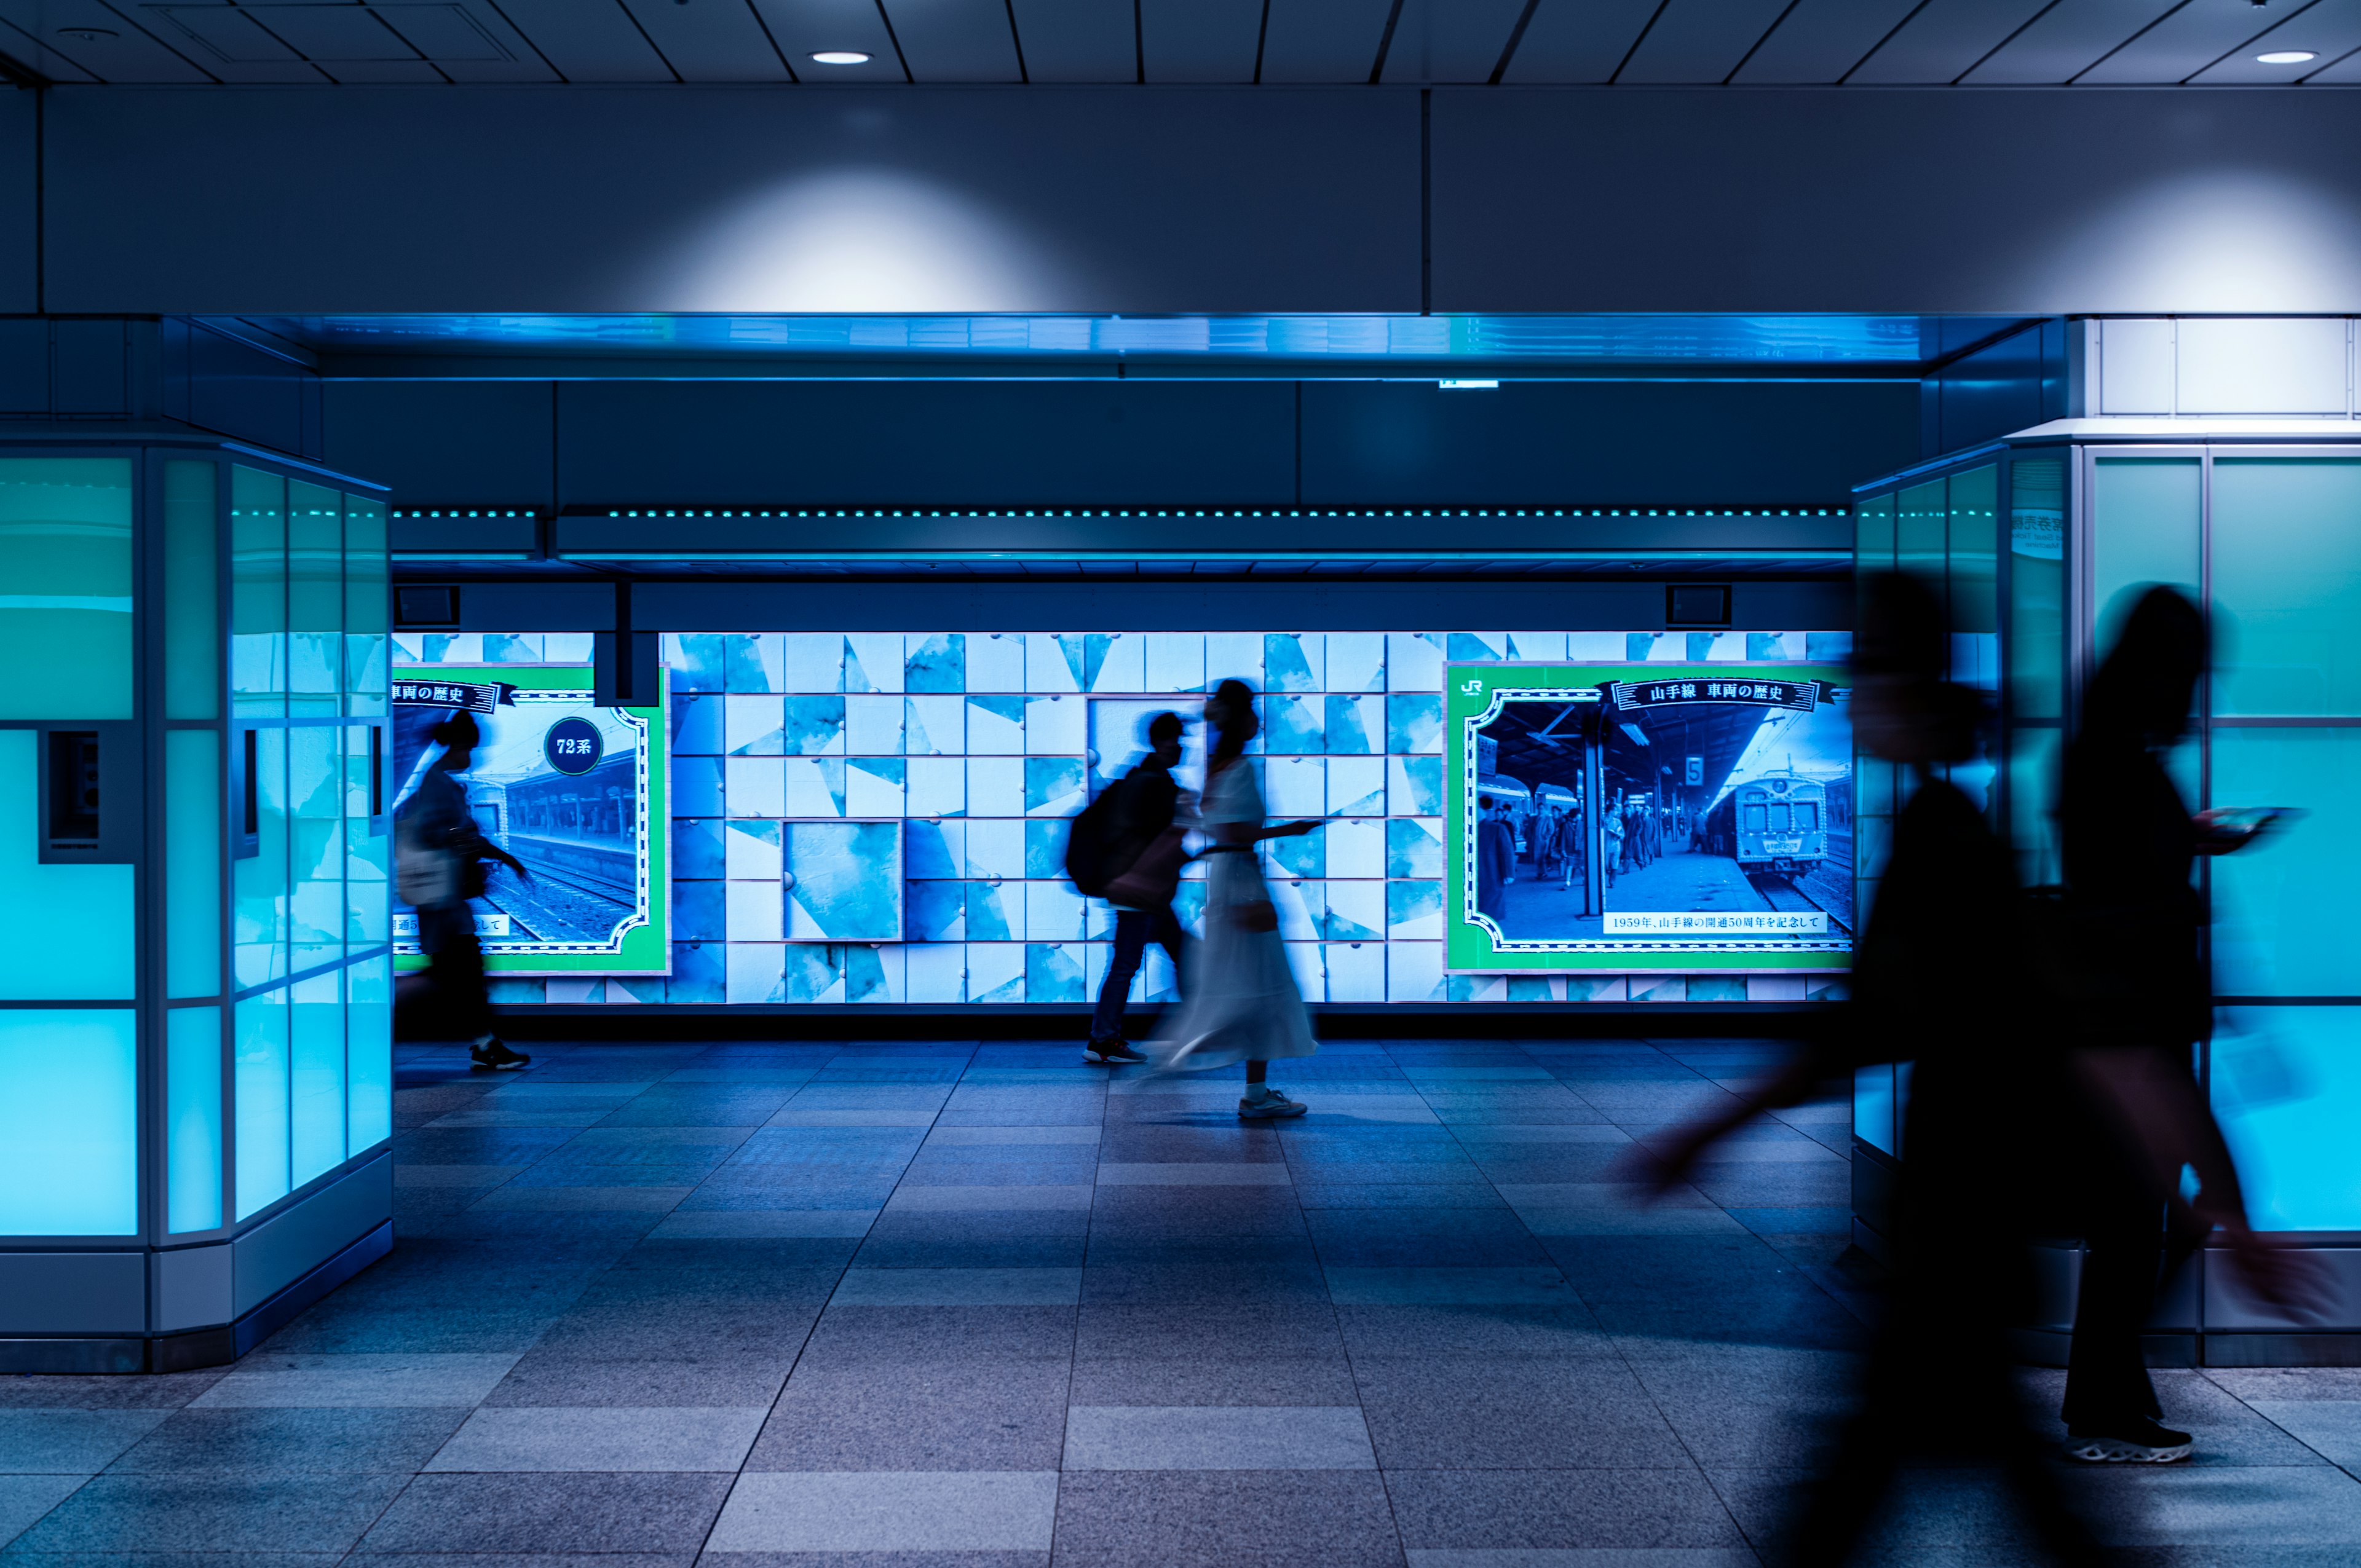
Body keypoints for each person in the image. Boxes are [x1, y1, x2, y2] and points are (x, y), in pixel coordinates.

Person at [1629, 572, 2104, 1566]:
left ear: (1909, 691)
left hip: (1961, 1212)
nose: (1859, 706)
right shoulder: (1961, 824)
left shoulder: (1941, 836)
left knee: (1864, 1479)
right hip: (1971, 1212)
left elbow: (1863, 1026)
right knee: (1948, 1472)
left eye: (1871, 682)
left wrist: (1704, 1131)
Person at [2055, 585, 2321, 1462]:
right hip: (2129, 1036)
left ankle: (2109, 1399)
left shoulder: (2107, 758)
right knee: (2140, 1224)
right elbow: (2125, 903)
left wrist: (2195, 837)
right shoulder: (2123, 771)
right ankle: (2102, 1408)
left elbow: (2116, 872)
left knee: (2142, 1223)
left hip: (2129, 1032)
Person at [1152, 680, 1321, 1119]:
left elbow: (1219, 830)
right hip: (1243, 879)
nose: (1259, 720)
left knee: (1242, 980)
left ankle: (1250, 1086)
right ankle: (1245, 1087)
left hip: (1227, 879)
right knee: (1258, 983)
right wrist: (1289, 830)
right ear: (1241, 717)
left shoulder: (1216, 768)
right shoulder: (1241, 767)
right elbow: (1237, 833)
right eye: (1253, 711)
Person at [396, 711, 532, 1071]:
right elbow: (439, 833)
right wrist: (479, 846)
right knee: (455, 975)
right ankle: (378, 1022)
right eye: (470, 748)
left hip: (447, 900)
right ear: (456, 746)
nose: (473, 756)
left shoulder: (442, 783)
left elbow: (459, 833)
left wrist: (498, 853)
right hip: (442, 901)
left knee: (461, 973)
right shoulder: (438, 783)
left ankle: (486, 1043)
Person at [1085, 711, 1191, 1066]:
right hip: (1140, 891)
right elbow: (1157, 839)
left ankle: (1191, 1031)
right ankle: (1104, 1039)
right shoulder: (1153, 784)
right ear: (1163, 742)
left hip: (1144, 891)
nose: (1182, 749)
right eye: (1178, 740)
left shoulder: (1142, 778)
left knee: (1176, 954)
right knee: (1129, 964)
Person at [1476, 800, 1516, 924]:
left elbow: (1507, 851)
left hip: (1491, 876)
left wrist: (1509, 873)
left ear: (1483, 811)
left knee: (1489, 911)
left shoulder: (1497, 828)